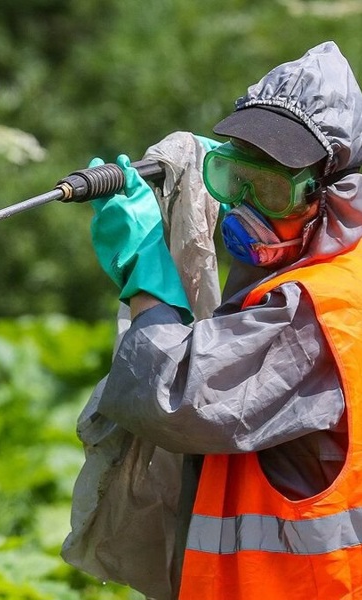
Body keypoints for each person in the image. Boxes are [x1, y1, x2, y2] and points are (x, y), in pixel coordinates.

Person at [64, 41, 362, 600]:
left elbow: (175, 396)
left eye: (271, 190)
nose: (245, 208)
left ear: (336, 194)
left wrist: (146, 273)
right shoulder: (341, 260)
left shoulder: (319, 314)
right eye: (230, 179)